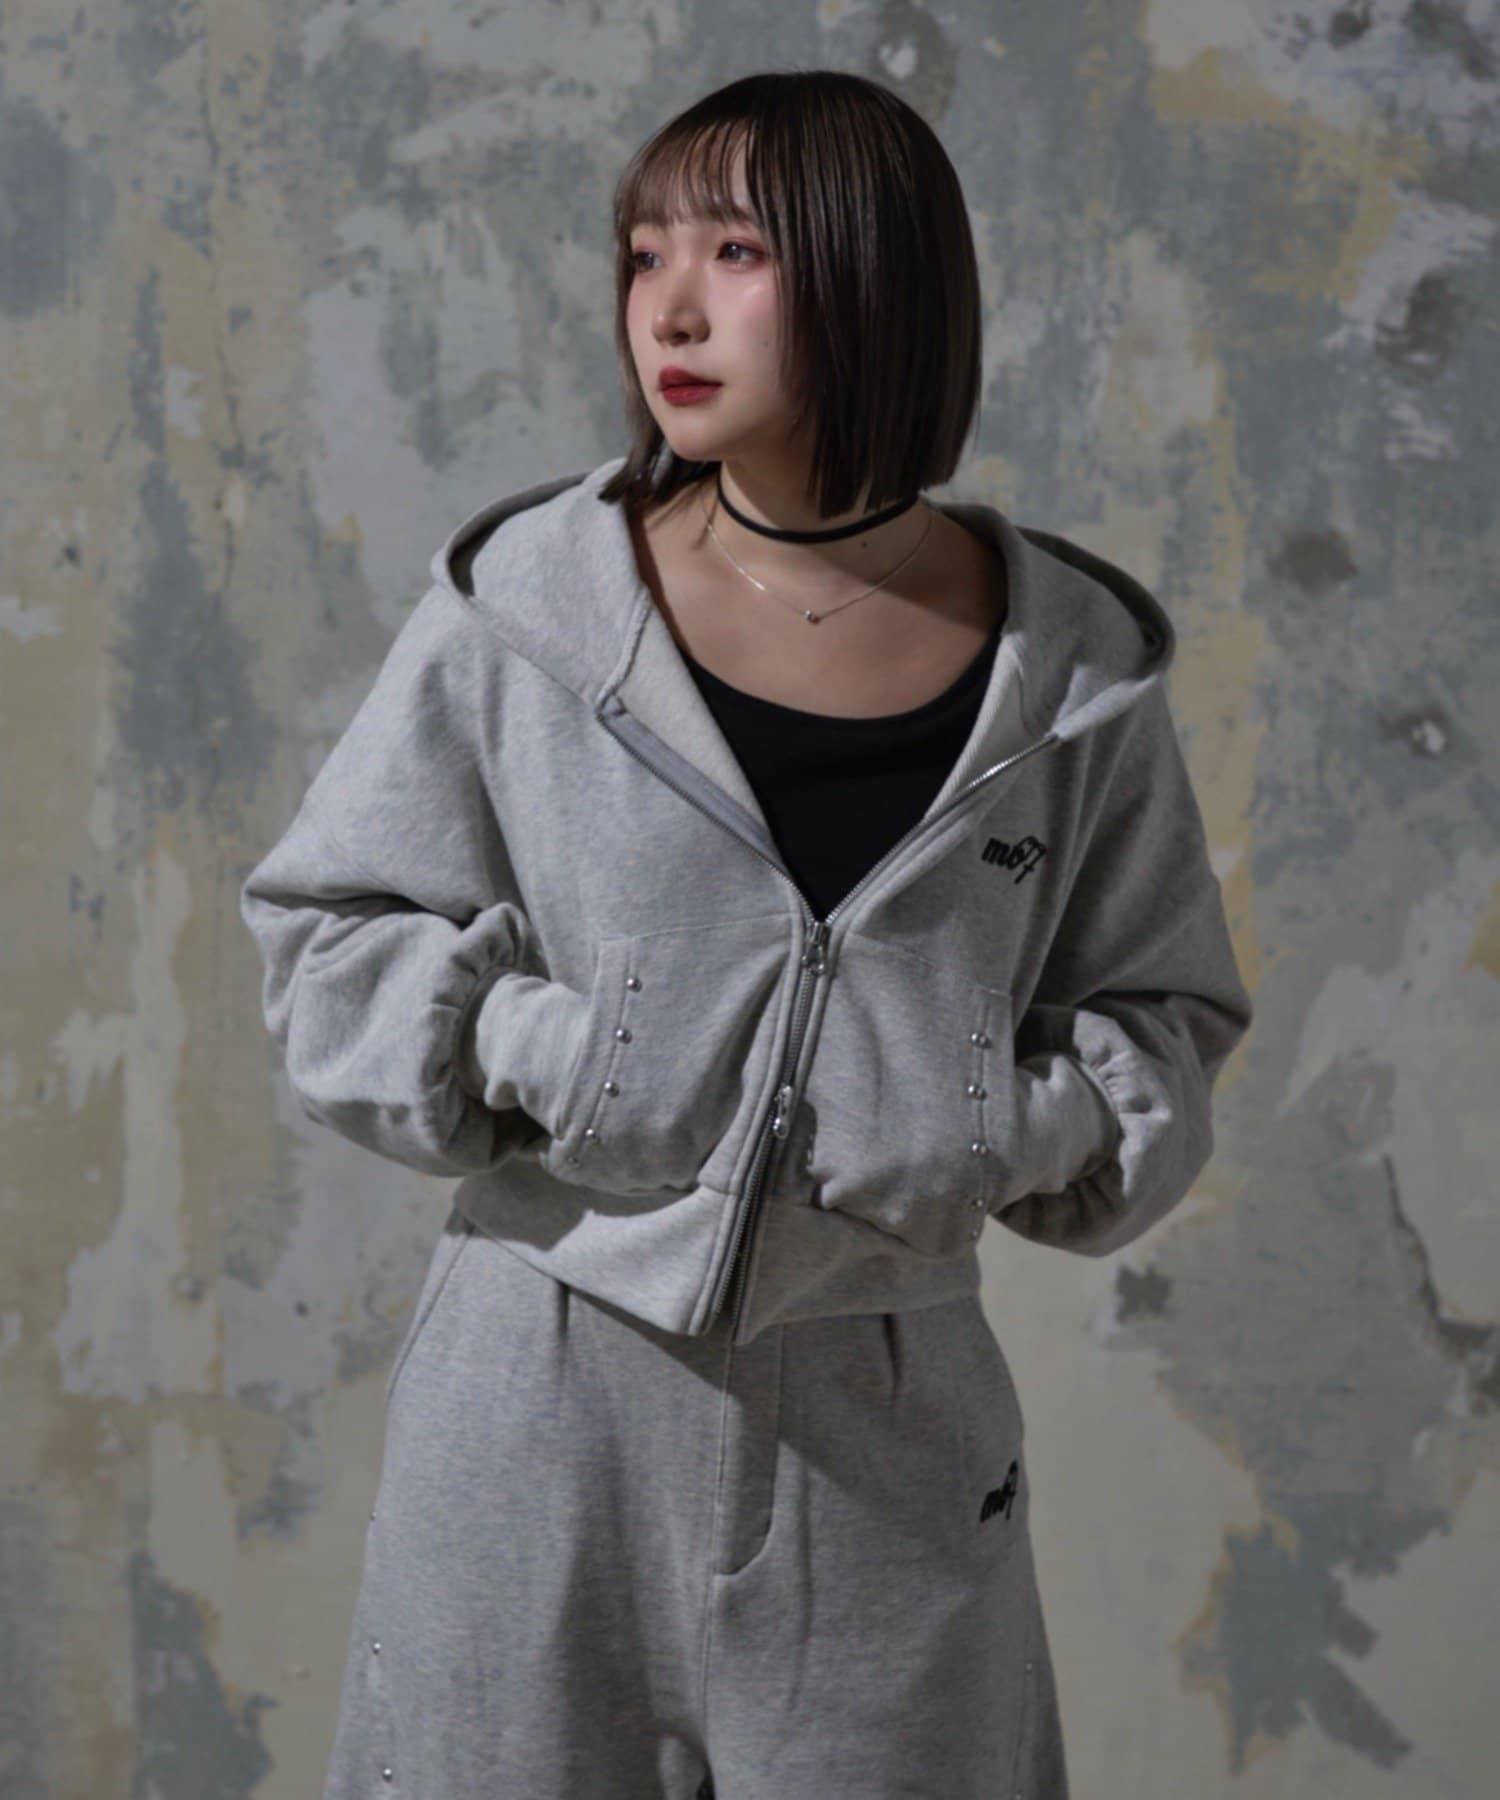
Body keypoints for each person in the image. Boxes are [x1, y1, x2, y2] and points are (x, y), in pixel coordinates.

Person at [241, 69, 1253, 1800]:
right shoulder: (534, 612)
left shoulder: (1071, 673)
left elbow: (1164, 1013)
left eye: (734, 251)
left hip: (893, 1422)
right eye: (644, 255)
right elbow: (327, 939)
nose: (670, 309)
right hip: (541, 1397)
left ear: (878, 278)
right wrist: (561, 1052)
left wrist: (995, 1122)